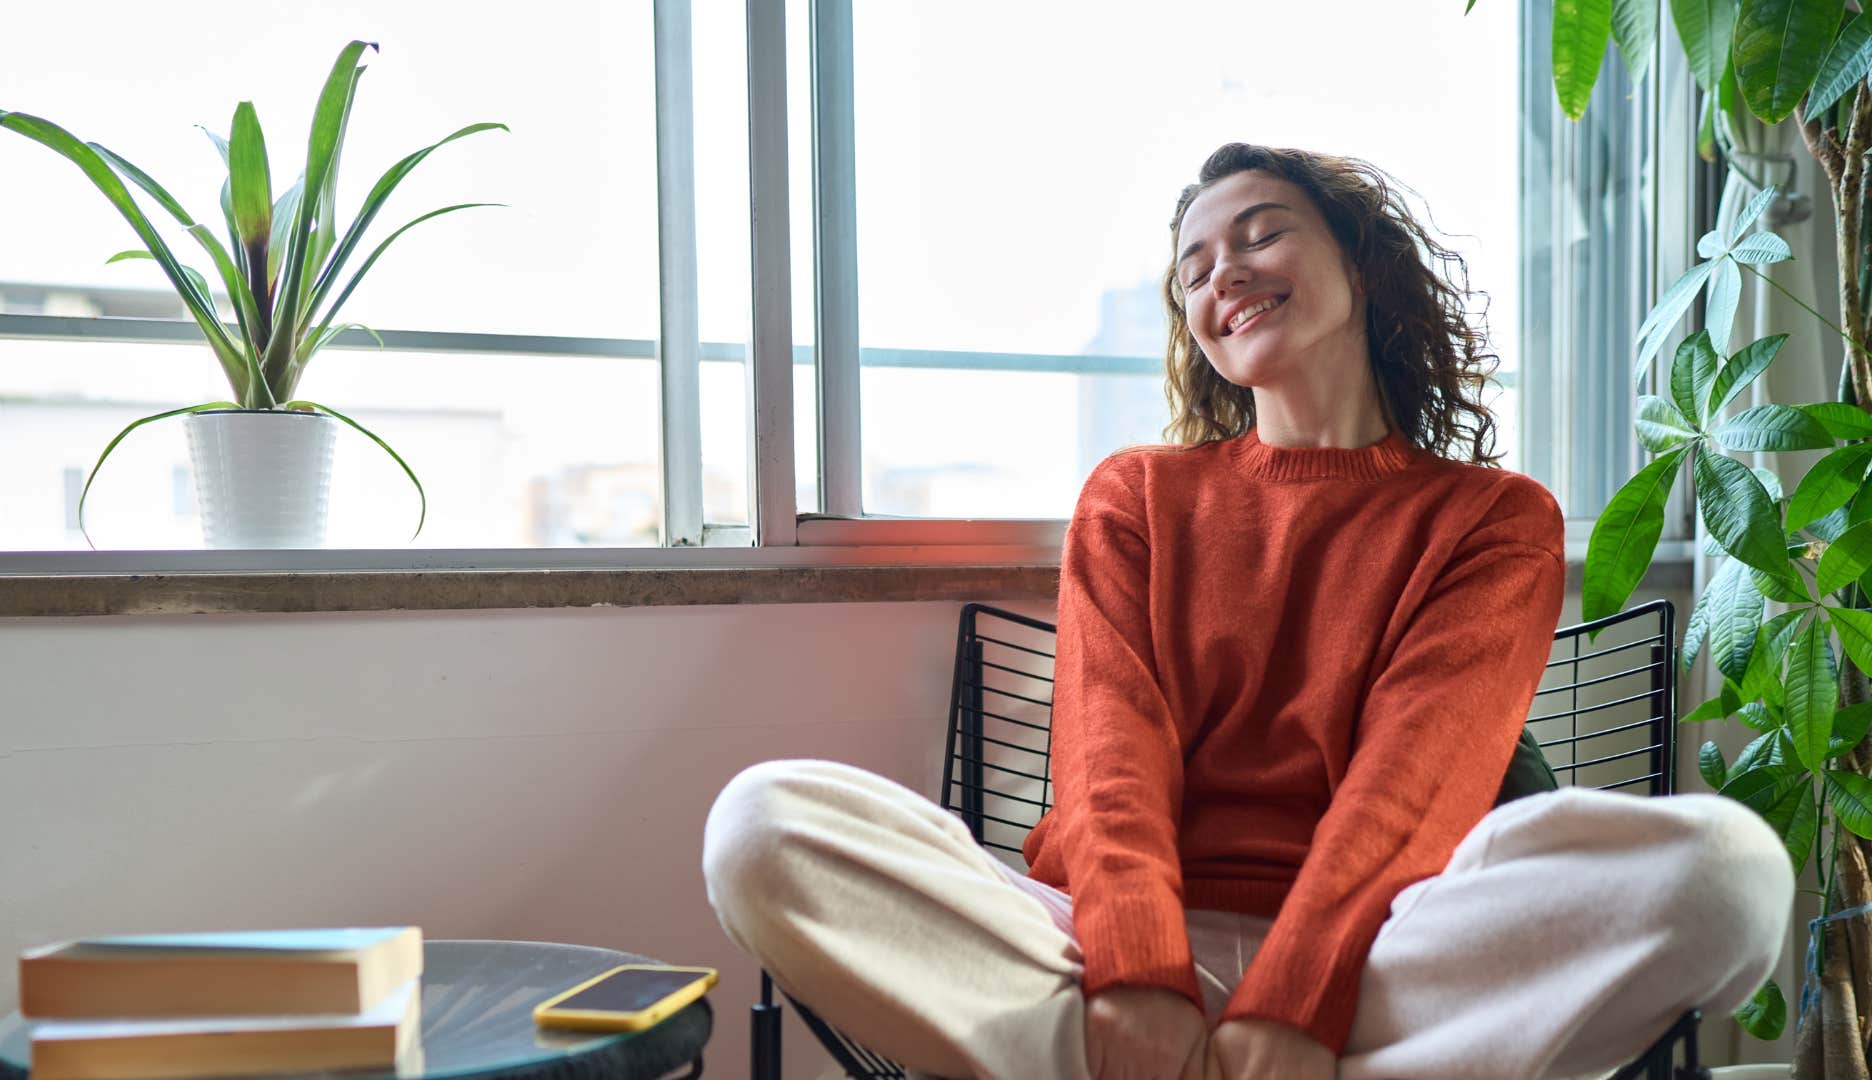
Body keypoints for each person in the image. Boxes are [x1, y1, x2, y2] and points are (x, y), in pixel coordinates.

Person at [700, 142, 1795, 1080]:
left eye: (1263, 233)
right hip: (1095, 957)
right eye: (1194, 269)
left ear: (1362, 268)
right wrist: (1141, 974)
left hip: (1380, 958)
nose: (1226, 271)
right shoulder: (1137, 494)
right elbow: (1107, 760)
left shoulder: (1492, 519)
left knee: (1730, 873)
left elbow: (1418, 783)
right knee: (762, 823)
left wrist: (1295, 997)